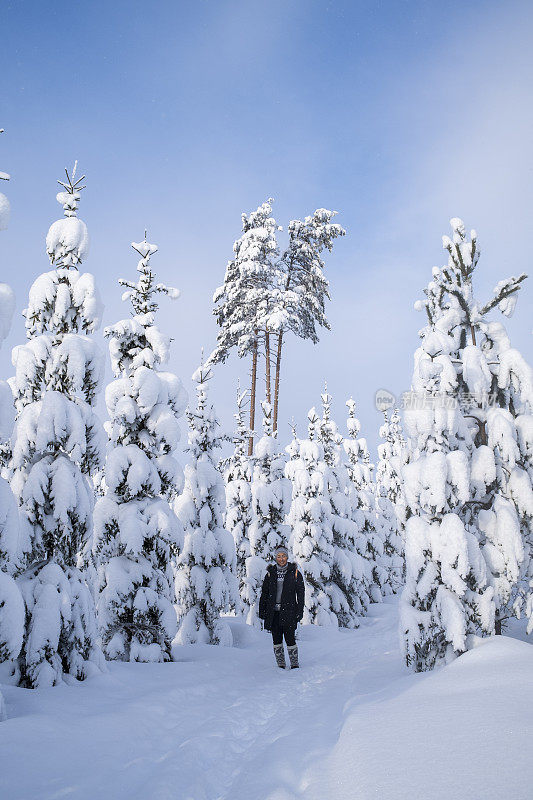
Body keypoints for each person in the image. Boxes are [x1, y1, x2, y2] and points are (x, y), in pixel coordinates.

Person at [258, 546, 305, 669]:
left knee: (290, 639)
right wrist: (262, 610)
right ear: (275, 557)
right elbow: (264, 593)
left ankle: (294, 664)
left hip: (289, 611)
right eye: (279, 556)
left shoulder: (294, 572)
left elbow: (301, 593)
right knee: (276, 639)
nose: (281, 559)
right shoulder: (270, 573)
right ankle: (281, 665)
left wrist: (300, 610)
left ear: (287, 557)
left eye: (283, 556)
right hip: (274, 613)